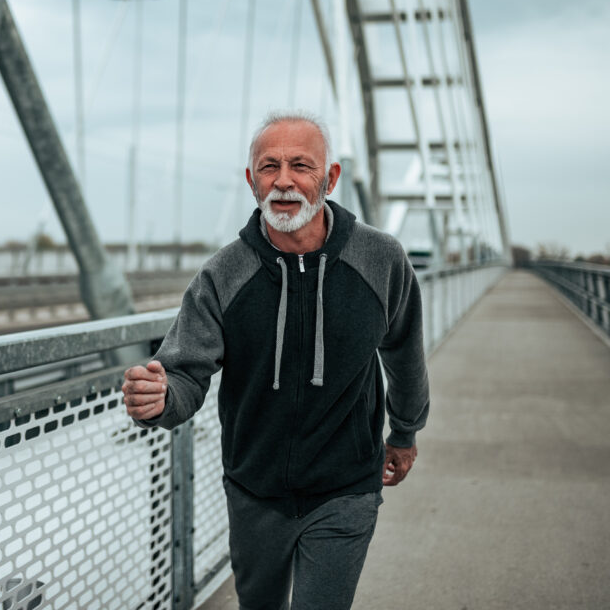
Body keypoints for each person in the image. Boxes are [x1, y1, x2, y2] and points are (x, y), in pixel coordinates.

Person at [122, 112, 429, 610]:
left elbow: (405, 352)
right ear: (251, 181)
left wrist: (406, 431)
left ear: (329, 179)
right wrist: (158, 400)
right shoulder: (223, 274)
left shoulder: (381, 258)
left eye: (301, 166)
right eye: (269, 167)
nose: (283, 181)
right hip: (254, 492)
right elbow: (182, 373)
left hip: (345, 488)